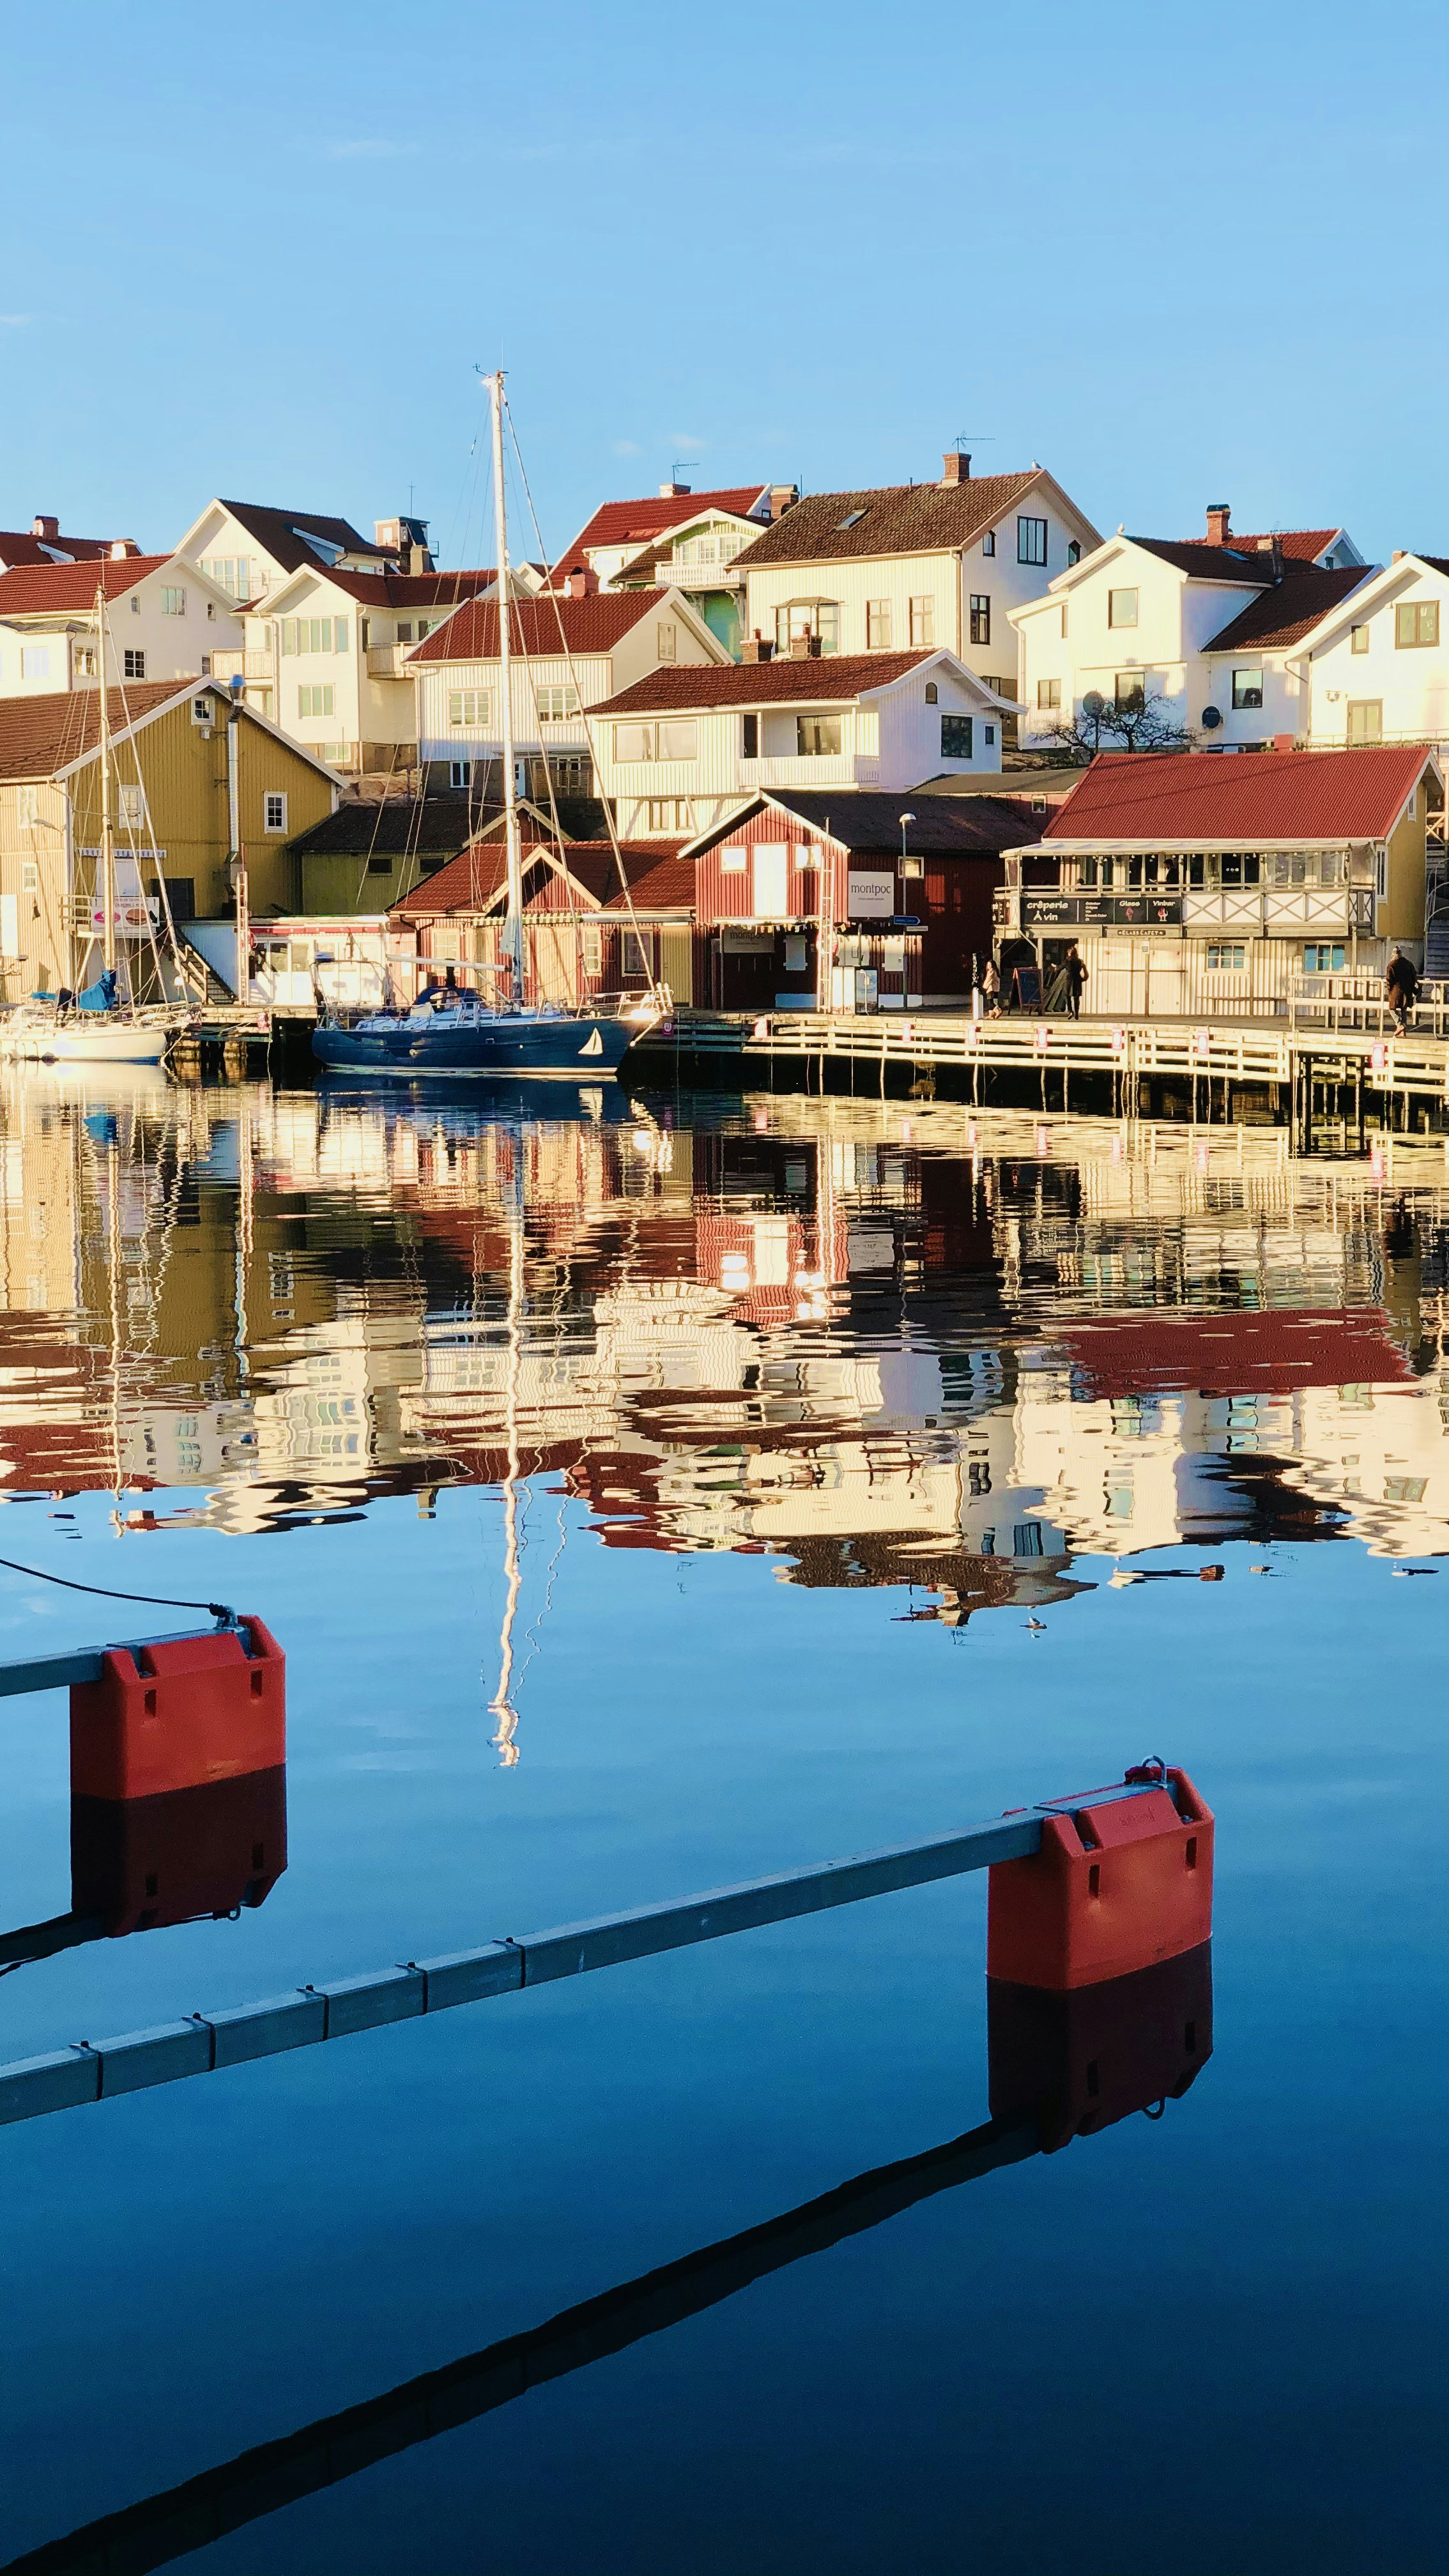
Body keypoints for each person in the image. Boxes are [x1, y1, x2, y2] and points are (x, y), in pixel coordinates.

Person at [1385, 947, 1418, 1032]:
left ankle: (1399, 1024)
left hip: (1396, 991)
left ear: (1393, 955)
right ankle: (1403, 1030)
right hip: (1407, 990)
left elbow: (1389, 980)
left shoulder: (1392, 965)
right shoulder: (1409, 964)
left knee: (1392, 1009)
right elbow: (1414, 976)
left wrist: (1389, 990)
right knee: (1404, 1009)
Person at [1066, 944, 1087, 1020]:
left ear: (1070, 954)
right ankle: (1077, 1013)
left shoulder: (1068, 961)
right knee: (1076, 998)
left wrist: (1056, 967)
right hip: (1078, 980)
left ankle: (1070, 1011)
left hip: (1069, 981)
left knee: (1067, 996)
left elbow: (1061, 967)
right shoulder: (1079, 961)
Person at [981, 955, 1001, 1020]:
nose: (989, 966)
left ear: (993, 966)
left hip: (991, 988)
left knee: (990, 1002)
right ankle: (991, 1015)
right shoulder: (996, 971)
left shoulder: (992, 971)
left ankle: (998, 1010)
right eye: (988, 965)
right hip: (995, 989)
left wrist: (984, 986)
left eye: (990, 965)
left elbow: (989, 980)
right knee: (990, 1002)